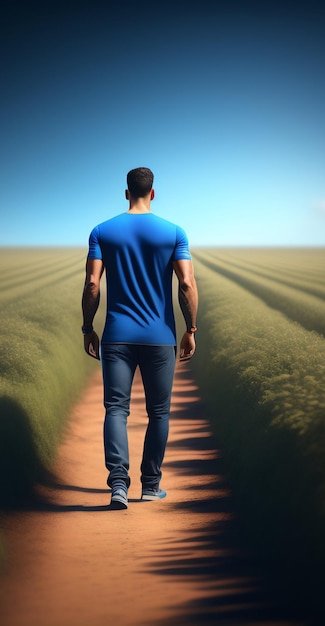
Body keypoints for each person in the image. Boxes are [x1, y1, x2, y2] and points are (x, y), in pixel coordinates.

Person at [81, 167, 198, 509]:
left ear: (126, 192)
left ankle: (118, 485)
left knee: (116, 409)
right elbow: (187, 284)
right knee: (159, 412)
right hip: (160, 337)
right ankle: (151, 485)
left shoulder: (102, 231)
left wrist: (88, 328)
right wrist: (190, 329)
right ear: (154, 192)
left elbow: (92, 284)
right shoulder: (174, 232)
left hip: (117, 336)